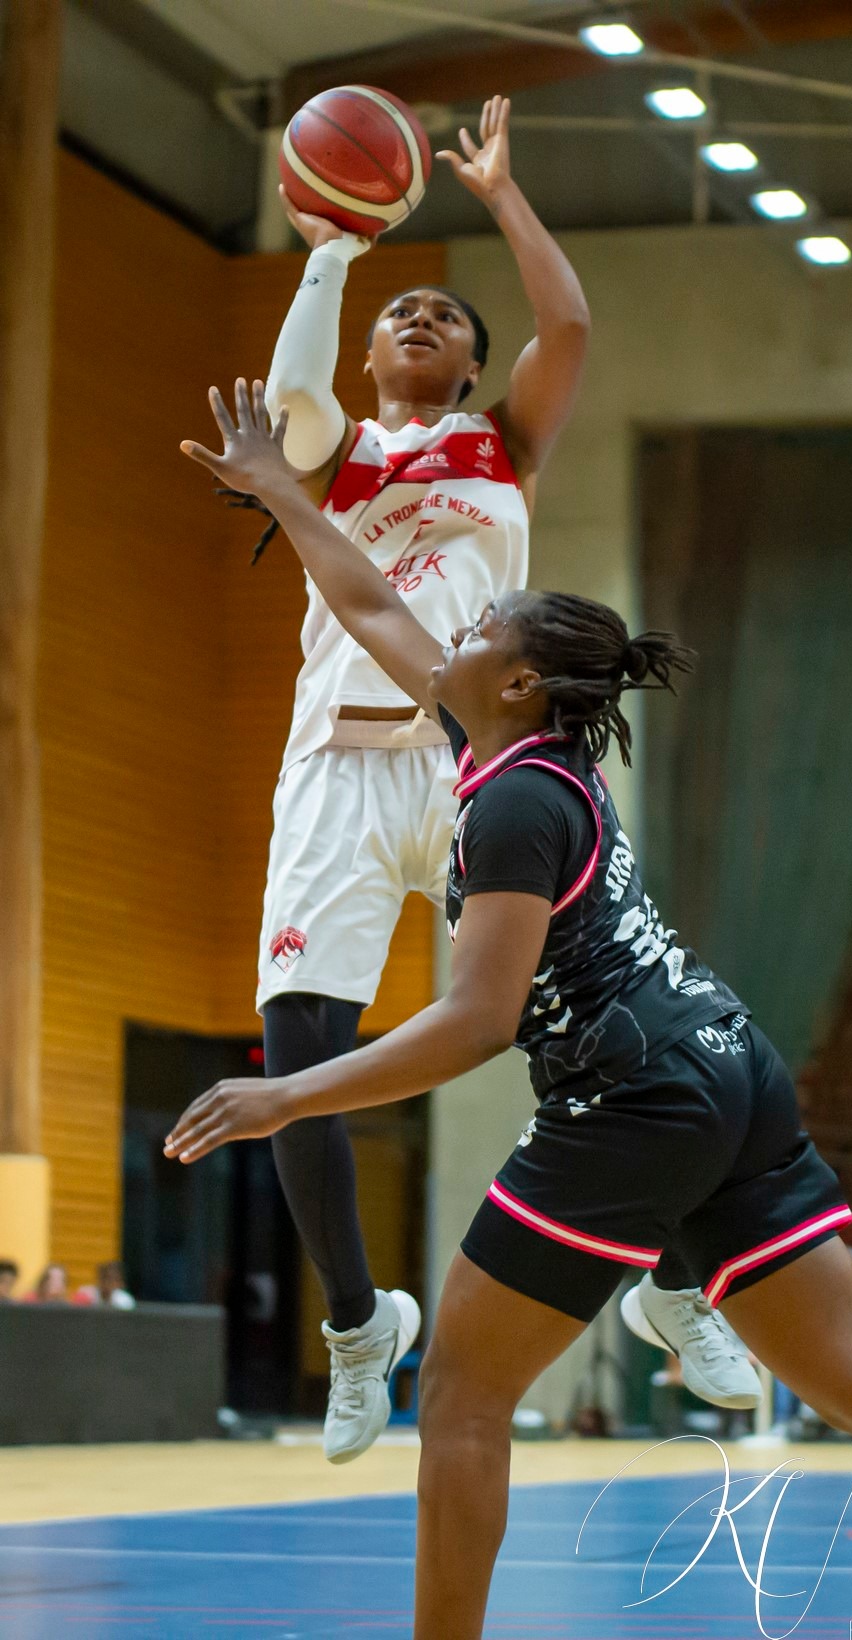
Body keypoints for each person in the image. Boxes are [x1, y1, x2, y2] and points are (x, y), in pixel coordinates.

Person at [168, 383, 852, 1640]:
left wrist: (289, 1090)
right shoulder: (512, 749)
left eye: (483, 617)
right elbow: (373, 600)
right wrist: (280, 485)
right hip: (726, 1059)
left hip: (637, 1091)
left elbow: (480, 1020)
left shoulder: (511, 805)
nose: (459, 619)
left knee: (460, 1394)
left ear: (522, 675)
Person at [249, 96, 591, 1464]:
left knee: (588, 1021)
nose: (420, 321)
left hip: (475, 763)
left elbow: (567, 330)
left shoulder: (503, 443)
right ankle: (355, 1327)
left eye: (447, 318)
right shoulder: (332, 452)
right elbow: (287, 402)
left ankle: (686, 1282)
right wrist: (331, 247)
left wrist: (502, 197)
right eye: (401, 311)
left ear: (469, 366)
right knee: (299, 1056)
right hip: (335, 761)